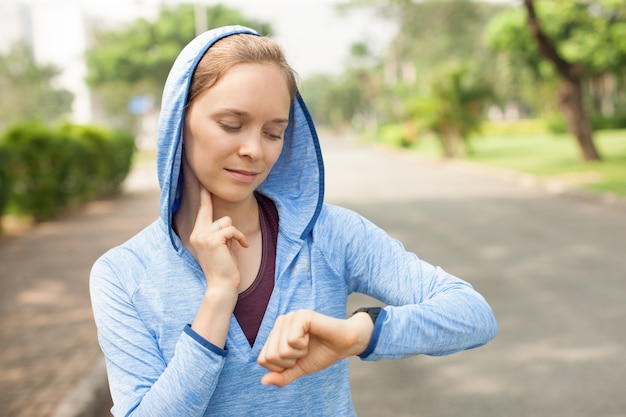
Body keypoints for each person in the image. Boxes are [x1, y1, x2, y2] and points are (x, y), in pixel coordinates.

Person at [90, 25, 497, 417]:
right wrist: (217, 296)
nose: (254, 149)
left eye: (273, 132)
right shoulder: (123, 275)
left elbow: (472, 315)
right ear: (179, 122)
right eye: (231, 125)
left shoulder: (328, 234)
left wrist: (357, 335)